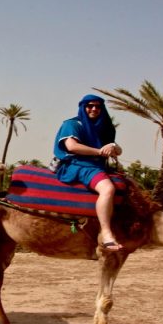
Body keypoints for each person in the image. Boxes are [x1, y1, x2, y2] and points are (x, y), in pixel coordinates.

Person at [52, 94, 123, 251]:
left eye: (98, 106)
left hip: (97, 166)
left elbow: (118, 150)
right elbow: (72, 146)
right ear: (83, 107)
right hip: (78, 165)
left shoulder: (104, 127)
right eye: (90, 106)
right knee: (107, 189)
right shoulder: (72, 124)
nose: (94, 109)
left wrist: (113, 147)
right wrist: (99, 152)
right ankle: (106, 234)